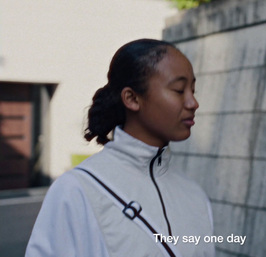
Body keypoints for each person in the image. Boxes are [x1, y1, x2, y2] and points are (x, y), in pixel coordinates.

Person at [25, 39, 215, 257]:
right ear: (132, 98)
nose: (193, 103)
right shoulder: (77, 190)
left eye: (193, 90)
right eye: (179, 90)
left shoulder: (194, 195)